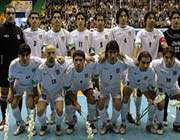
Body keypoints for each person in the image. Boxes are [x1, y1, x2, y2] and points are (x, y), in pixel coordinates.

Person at [95, 40, 132, 134]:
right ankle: (105, 123)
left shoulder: (121, 63)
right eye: (110, 52)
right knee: (100, 103)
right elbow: (94, 73)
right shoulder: (101, 62)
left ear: (117, 53)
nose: (112, 55)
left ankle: (112, 123)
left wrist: (123, 57)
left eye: (115, 52)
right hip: (104, 88)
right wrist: (97, 91)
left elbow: (133, 64)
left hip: (115, 89)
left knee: (118, 105)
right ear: (106, 52)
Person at [121, 51, 162, 134]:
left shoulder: (151, 72)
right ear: (138, 61)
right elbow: (121, 54)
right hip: (131, 83)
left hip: (143, 85)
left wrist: (151, 99)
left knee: (152, 99)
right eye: (143, 62)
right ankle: (123, 124)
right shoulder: (131, 64)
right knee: (125, 97)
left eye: (148, 63)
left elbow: (153, 88)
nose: (145, 65)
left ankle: (149, 125)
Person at [8, 43, 42, 136]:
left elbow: (48, 62)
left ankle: (32, 126)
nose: (25, 57)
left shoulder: (36, 61)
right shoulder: (13, 65)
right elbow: (11, 80)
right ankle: (21, 124)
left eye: (27, 55)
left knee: (30, 104)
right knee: (14, 104)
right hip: (19, 84)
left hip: (31, 84)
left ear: (30, 55)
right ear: (18, 55)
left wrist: (62, 60)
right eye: (22, 55)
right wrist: (11, 92)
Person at [0, 4, 25, 130]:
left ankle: (18, 120)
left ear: (15, 15)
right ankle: (4, 119)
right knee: (4, 94)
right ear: (4, 15)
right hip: (3, 68)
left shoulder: (19, 31)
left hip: (18, 69)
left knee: (18, 94)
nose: (10, 15)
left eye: (12, 14)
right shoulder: (0, 30)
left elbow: (23, 50)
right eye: (8, 13)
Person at [34, 44, 66, 136]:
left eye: (53, 53)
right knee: (39, 110)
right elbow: (35, 83)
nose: (51, 55)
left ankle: (58, 125)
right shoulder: (41, 68)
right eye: (49, 53)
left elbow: (74, 61)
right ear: (45, 54)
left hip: (57, 92)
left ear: (56, 54)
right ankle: (44, 126)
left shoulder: (61, 65)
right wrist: (37, 94)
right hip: (45, 93)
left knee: (60, 110)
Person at [110, 8, 136, 123]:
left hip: (128, 66)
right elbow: (111, 47)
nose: (123, 18)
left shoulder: (132, 30)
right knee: (115, 91)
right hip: (116, 65)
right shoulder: (113, 31)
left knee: (127, 91)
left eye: (125, 16)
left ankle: (127, 113)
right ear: (118, 18)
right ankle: (114, 115)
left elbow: (136, 45)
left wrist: (133, 59)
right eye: (121, 16)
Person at [64, 50, 97, 134]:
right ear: (73, 61)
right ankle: (71, 122)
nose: (78, 63)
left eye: (80, 60)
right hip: (73, 87)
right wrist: (75, 103)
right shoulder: (69, 70)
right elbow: (67, 90)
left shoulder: (90, 65)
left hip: (86, 85)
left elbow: (101, 56)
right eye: (76, 60)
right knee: (68, 100)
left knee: (92, 98)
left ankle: (91, 122)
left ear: (84, 60)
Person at [151, 47, 180, 133]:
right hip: (161, 88)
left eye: (171, 57)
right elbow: (145, 69)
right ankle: (159, 124)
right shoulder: (156, 64)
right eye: (166, 57)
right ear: (163, 57)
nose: (169, 60)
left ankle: (177, 124)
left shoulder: (178, 65)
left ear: (174, 57)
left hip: (173, 88)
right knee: (161, 103)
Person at [163, 10, 180, 126]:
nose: (176, 20)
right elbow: (163, 52)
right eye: (174, 18)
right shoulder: (166, 34)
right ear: (170, 20)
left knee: (179, 94)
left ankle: (178, 121)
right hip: (169, 67)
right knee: (165, 93)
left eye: (178, 18)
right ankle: (163, 118)